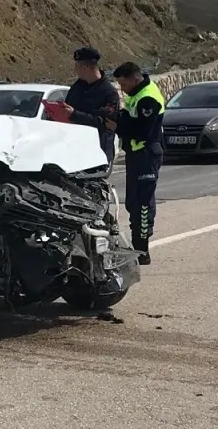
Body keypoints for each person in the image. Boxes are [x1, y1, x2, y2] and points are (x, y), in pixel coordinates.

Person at [110, 61, 166, 265]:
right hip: (136, 154)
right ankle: (138, 248)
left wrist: (117, 125)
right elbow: (130, 119)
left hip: (147, 154)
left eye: (124, 84)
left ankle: (142, 250)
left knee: (142, 204)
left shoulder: (147, 98)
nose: (122, 89)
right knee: (133, 202)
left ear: (134, 79)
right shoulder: (136, 94)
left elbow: (142, 132)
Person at [61, 46, 120, 166]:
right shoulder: (77, 87)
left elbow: (106, 123)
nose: (74, 70)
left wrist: (75, 114)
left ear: (85, 67)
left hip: (98, 152)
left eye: (76, 66)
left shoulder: (109, 92)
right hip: (76, 150)